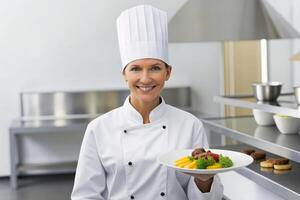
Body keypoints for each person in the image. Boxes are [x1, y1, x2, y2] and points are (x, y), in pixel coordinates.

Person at [71, 4, 223, 200]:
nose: (145, 79)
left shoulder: (190, 125)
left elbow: (205, 198)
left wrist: (205, 180)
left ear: (167, 73)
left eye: (155, 68)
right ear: (124, 74)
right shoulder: (99, 129)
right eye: (135, 69)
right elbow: (85, 195)